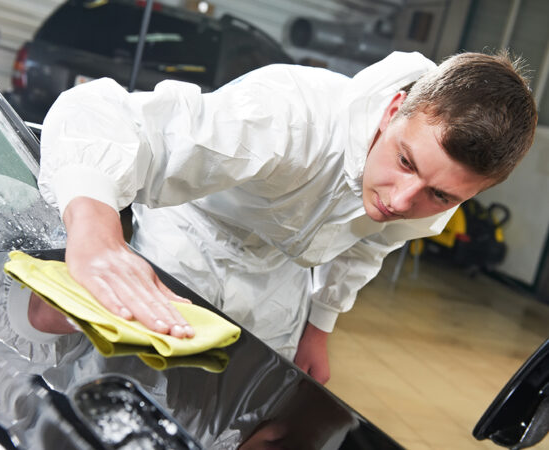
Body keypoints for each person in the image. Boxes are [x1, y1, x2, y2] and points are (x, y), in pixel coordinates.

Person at [36, 50, 537, 384]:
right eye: (406, 162)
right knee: (113, 387)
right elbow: (109, 117)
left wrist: (319, 328)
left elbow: (367, 246)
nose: (403, 202)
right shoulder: (287, 115)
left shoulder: (429, 195)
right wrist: (95, 230)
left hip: (281, 281)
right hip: (186, 244)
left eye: (441, 196)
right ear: (394, 110)